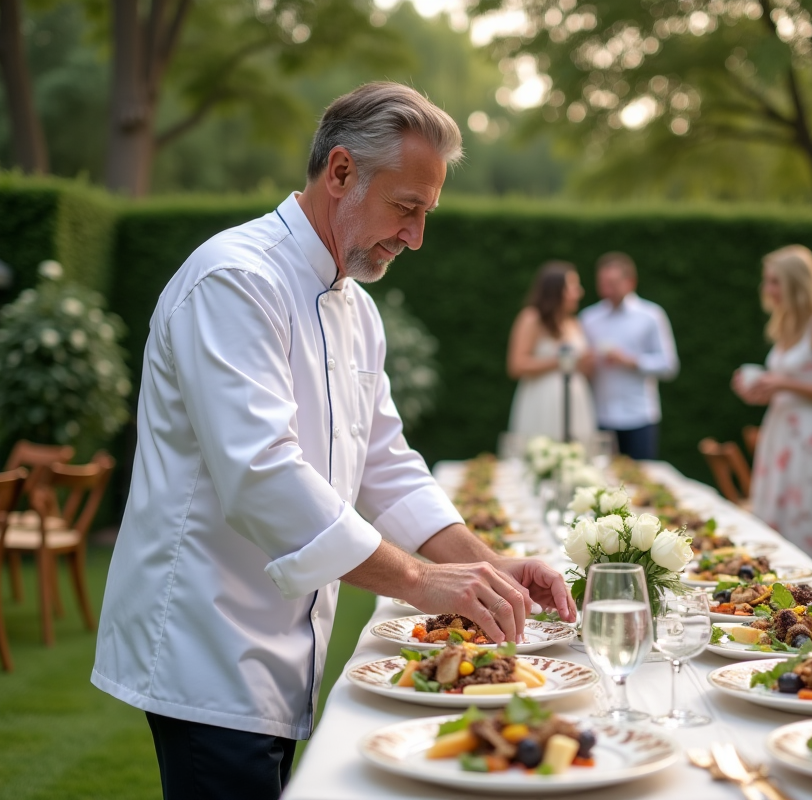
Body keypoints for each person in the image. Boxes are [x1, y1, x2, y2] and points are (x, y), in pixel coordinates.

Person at [91, 83, 576, 799]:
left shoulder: (358, 307)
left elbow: (386, 463)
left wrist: (487, 565)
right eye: (407, 209)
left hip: (288, 638)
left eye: (426, 213)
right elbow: (261, 475)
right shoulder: (235, 280)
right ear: (341, 172)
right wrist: (417, 581)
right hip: (210, 641)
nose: (416, 236)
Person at [731, 244, 812, 573]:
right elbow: (784, 385)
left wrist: (783, 384)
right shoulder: (784, 325)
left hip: (809, 438)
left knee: (806, 514)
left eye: (774, 281)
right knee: (777, 510)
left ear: (795, 284)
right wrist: (760, 389)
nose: (767, 289)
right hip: (780, 432)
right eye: (767, 281)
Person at [579, 252, 679, 460]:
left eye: (612, 283)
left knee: (641, 481)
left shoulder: (651, 316)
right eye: (602, 283)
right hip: (600, 415)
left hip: (639, 415)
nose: (606, 289)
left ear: (630, 282)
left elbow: (669, 366)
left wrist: (631, 361)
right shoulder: (588, 318)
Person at [506, 260, 598, 444]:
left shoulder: (574, 323)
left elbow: (583, 368)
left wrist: (587, 364)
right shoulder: (531, 318)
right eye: (573, 286)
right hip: (541, 400)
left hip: (576, 400)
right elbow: (516, 365)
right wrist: (561, 360)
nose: (579, 292)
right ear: (556, 289)